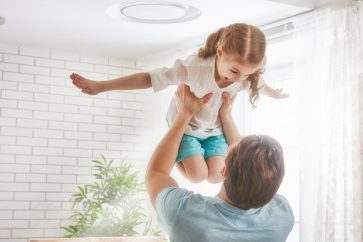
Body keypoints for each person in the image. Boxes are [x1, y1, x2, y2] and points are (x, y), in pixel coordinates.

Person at [70, 23, 288, 184]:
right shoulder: (195, 68)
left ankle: (194, 157)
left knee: (215, 177)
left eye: (247, 73)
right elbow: (150, 78)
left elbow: (260, 86)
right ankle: (174, 153)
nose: (238, 79)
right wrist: (102, 86)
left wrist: (274, 94)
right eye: (234, 71)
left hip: (213, 130)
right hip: (187, 127)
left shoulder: (247, 78)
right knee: (197, 176)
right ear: (220, 53)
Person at [145, 84, 294, 242]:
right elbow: (254, 171)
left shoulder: (184, 213)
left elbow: (156, 173)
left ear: (223, 171)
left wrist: (183, 115)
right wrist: (226, 115)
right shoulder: (282, 215)